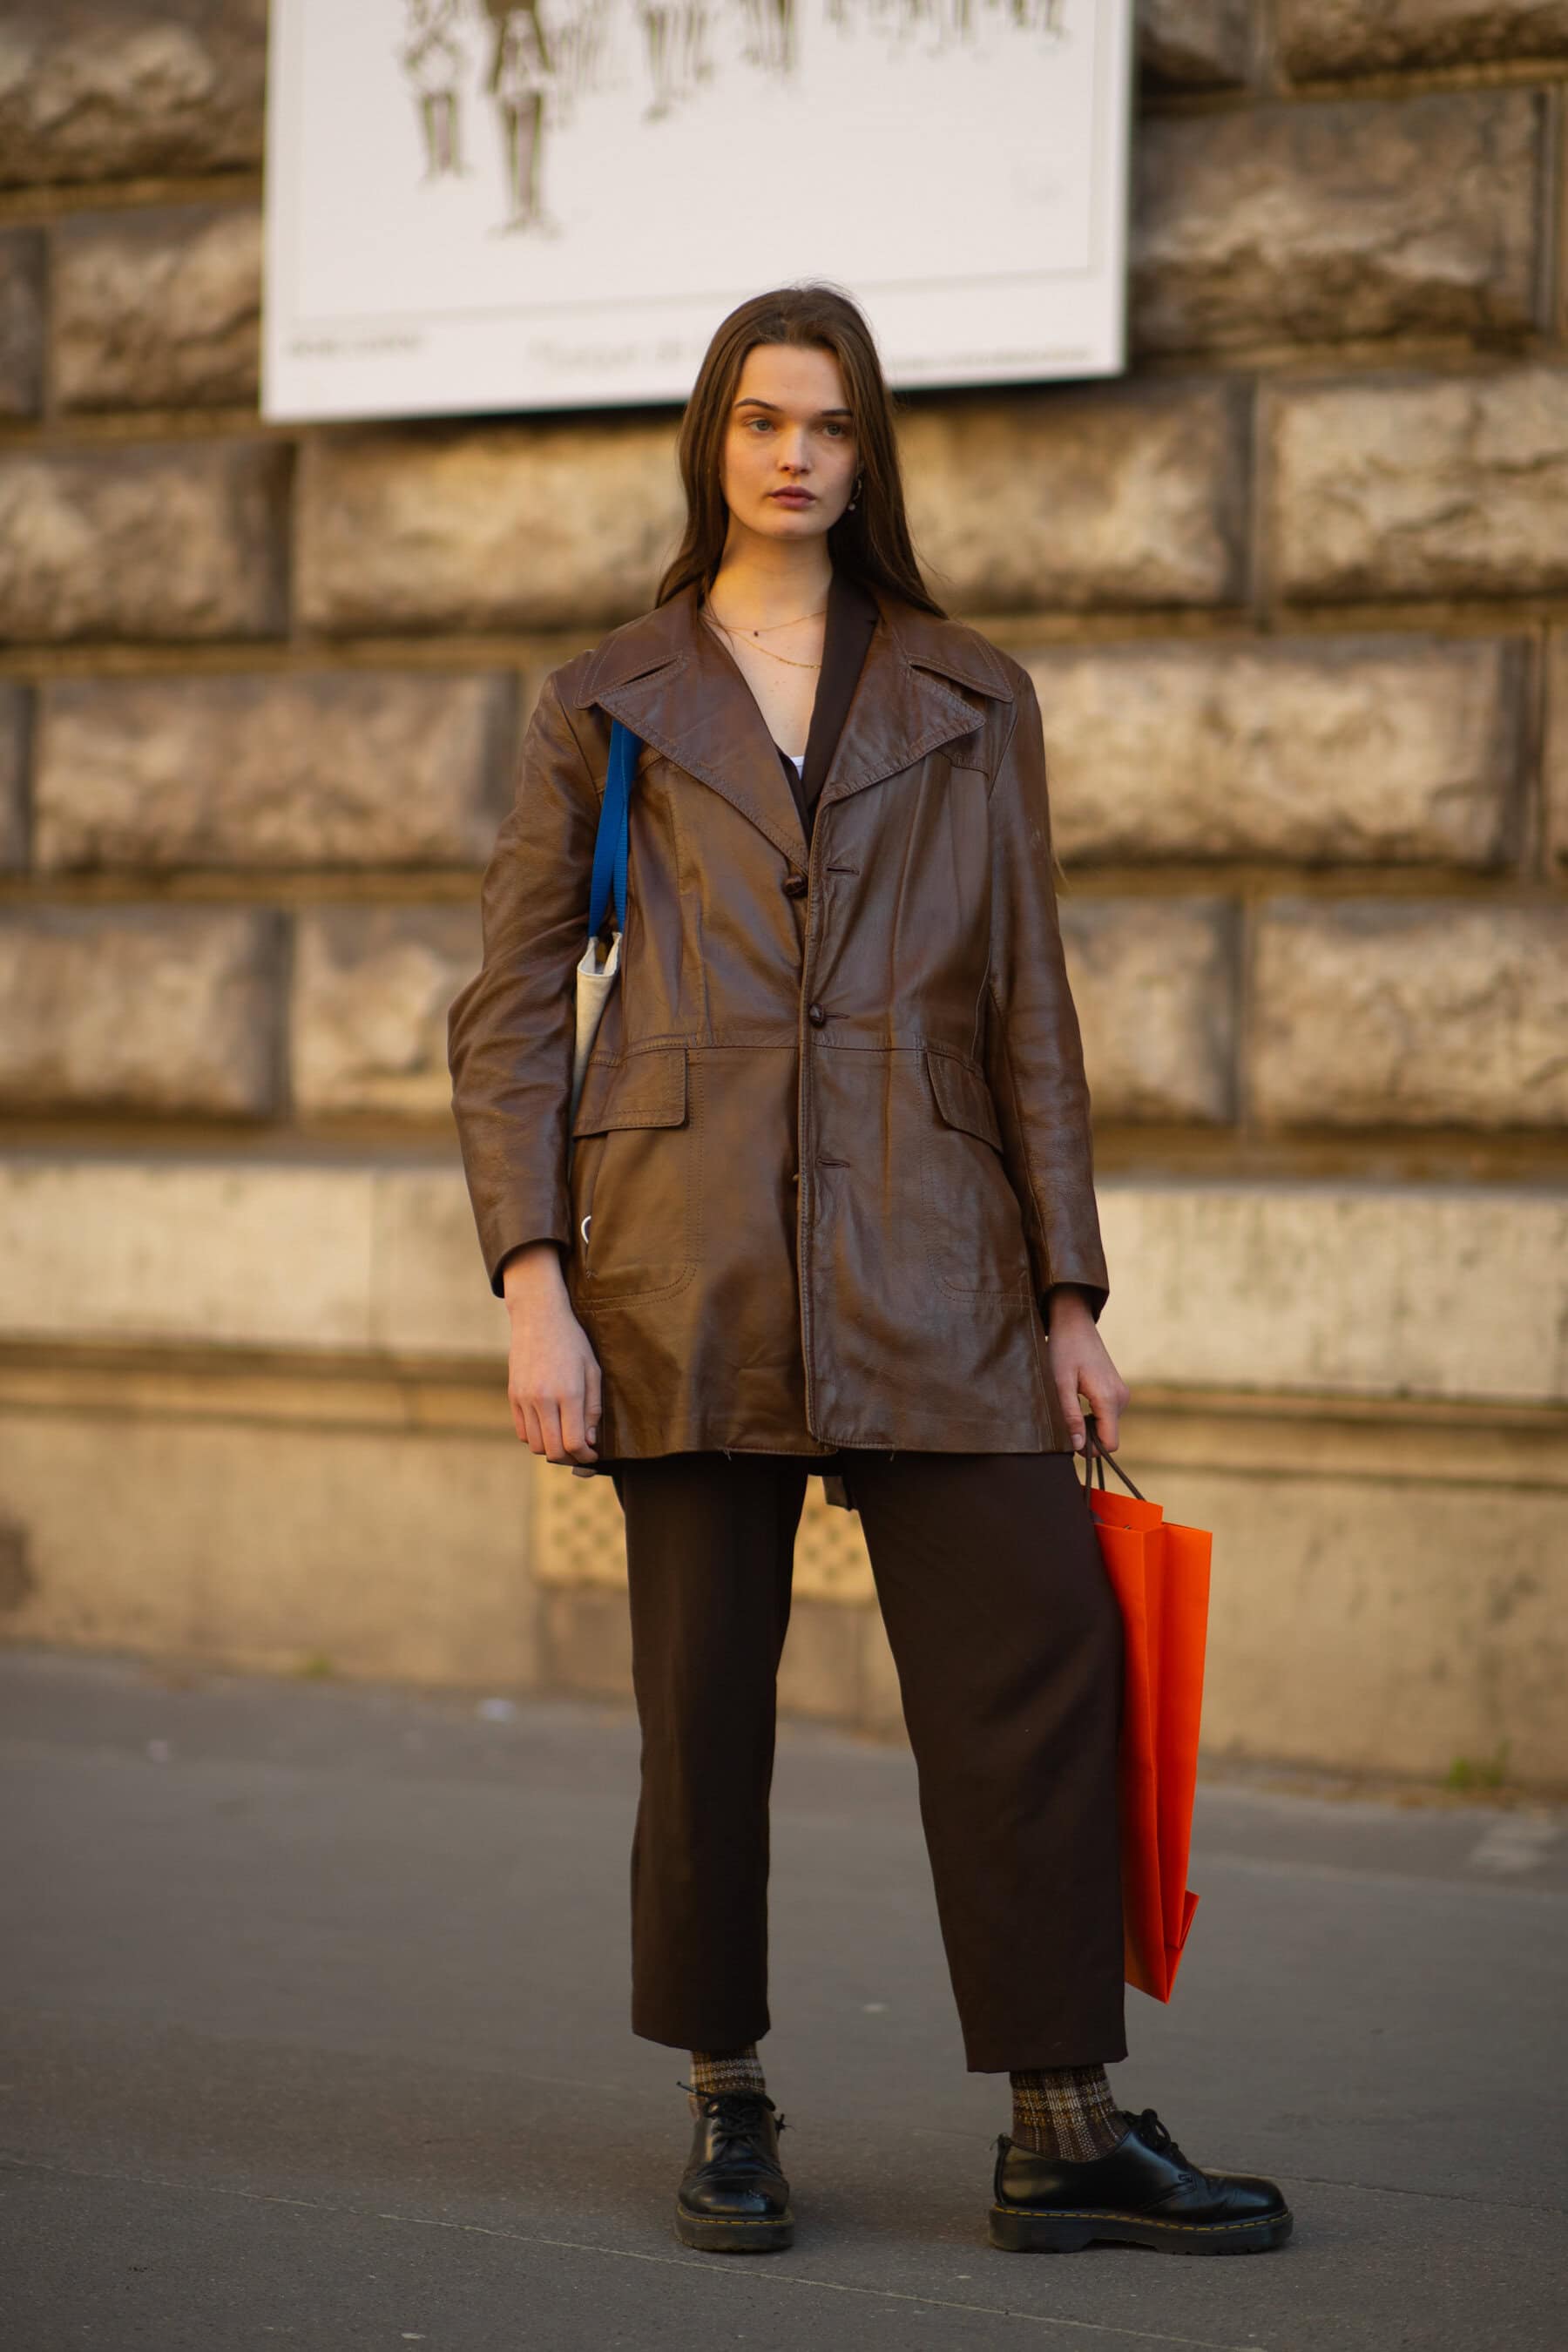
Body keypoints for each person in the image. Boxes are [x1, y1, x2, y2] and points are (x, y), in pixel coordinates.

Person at [446, 283, 1292, 2261]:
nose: (797, 454)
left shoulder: (973, 693)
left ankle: (1063, 2125)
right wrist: (532, 1285)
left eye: (830, 424)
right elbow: (509, 1011)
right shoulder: (609, 698)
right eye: (762, 420)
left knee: (1038, 1665)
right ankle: (726, 2102)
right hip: (683, 1265)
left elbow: (1031, 1011)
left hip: (937, 1254)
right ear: (712, 441)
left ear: (870, 447)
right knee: (703, 1704)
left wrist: (1071, 1297)